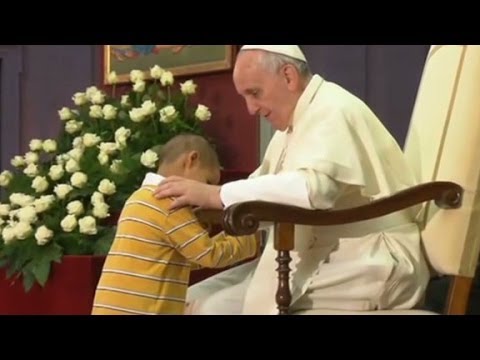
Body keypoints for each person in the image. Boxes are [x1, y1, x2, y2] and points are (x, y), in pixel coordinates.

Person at [153, 45, 431, 315]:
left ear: (288, 76)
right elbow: (261, 191)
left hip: (375, 256)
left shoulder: (331, 109)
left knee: (214, 308)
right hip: (326, 248)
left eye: (254, 93)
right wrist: (203, 205)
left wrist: (215, 195)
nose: (250, 109)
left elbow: (314, 191)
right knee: (187, 298)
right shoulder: (293, 124)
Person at [91, 134, 258, 315]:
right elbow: (210, 254)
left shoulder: (140, 198)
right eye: (208, 182)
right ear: (191, 160)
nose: (207, 192)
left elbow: (180, 258)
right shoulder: (170, 204)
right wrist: (250, 233)